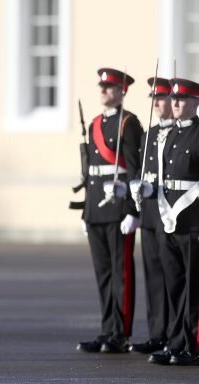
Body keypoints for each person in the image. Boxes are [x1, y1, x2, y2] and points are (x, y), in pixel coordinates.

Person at [77, 68, 143, 354]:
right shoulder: (93, 124)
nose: (103, 91)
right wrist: (85, 212)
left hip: (118, 210)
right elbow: (89, 173)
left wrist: (132, 209)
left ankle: (122, 333)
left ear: (122, 92)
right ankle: (107, 329)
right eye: (101, 87)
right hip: (96, 211)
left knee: (121, 273)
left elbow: (133, 170)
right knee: (103, 273)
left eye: (110, 87)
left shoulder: (129, 123)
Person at [146, 78, 199, 366]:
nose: (175, 104)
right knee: (175, 285)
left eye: (182, 99)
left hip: (192, 223)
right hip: (170, 223)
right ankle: (177, 343)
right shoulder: (171, 136)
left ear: (195, 103)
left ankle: (193, 346)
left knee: (194, 289)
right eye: (174, 99)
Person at [129, 77, 173, 354]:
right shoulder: (148, 134)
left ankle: (175, 334)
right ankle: (157, 333)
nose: (156, 103)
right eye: (153, 98)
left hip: (171, 213)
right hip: (149, 214)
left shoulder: (180, 133)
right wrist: (135, 186)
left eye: (161, 97)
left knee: (173, 276)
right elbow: (141, 169)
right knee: (154, 276)